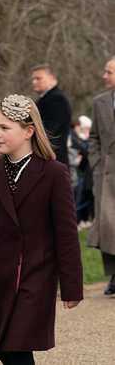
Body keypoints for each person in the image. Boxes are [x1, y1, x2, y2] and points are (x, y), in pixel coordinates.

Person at [0, 95, 83, 365]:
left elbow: (67, 235)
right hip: (3, 278)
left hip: (37, 277)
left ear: (28, 131)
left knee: (16, 345)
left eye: (4, 128)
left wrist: (71, 286)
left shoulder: (54, 173)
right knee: (7, 348)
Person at [86, 57, 115, 295]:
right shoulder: (99, 102)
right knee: (107, 227)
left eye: (109, 72)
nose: (104, 76)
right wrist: (96, 164)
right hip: (105, 176)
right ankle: (114, 275)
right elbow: (93, 136)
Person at [32, 64, 72, 166]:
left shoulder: (57, 99)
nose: (34, 82)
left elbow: (50, 130)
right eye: (33, 79)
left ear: (51, 78)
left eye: (38, 78)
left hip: (52, 159)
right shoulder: (47, 98)